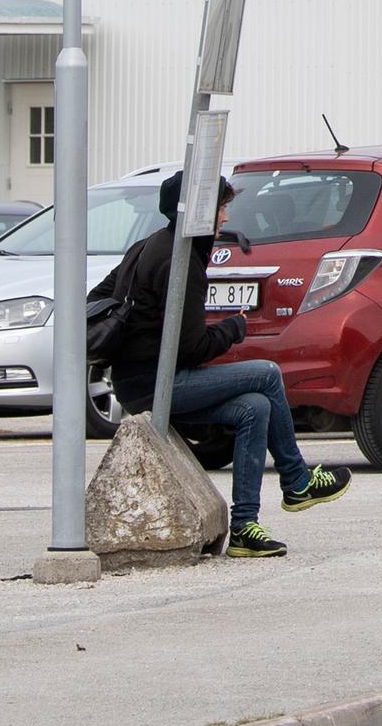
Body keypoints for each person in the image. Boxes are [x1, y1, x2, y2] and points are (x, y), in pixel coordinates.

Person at [100, 172, 348, 558]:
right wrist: (235, 327)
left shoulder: (148, 246)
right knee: (267, 374)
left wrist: (140, 326)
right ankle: (297, 481)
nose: (226, 218)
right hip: (157, 385)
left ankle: (245, 527)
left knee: (255, 407)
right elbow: (193, 349)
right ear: (198, 214)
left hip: (136, 380)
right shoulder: (181, 263)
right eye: (220, 208)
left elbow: (100, 295)